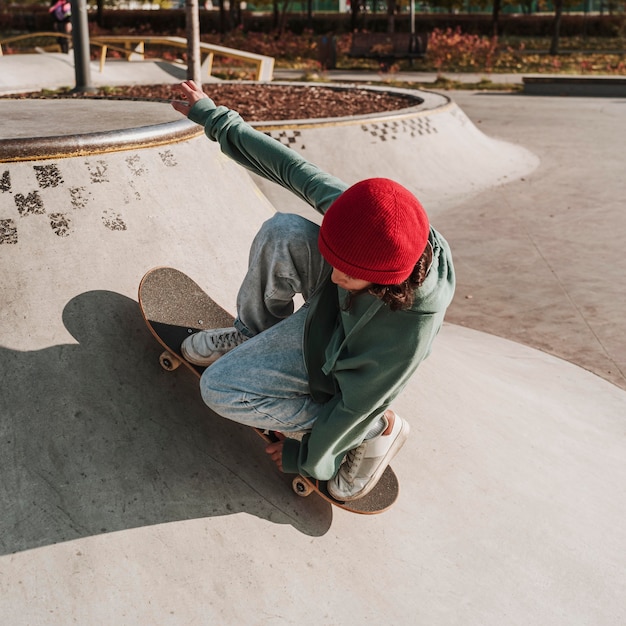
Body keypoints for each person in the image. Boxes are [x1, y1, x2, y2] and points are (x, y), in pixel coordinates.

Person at [171, 80, 455, 501]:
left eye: (348, 273)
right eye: (334, 262)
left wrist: (306, 456)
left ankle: (379, 434)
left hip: (344, 366)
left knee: (218, 389)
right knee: (283, 230)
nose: (334, 275)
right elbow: (291, 168)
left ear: (386, 281)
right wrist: (212, 117)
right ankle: (252, 335)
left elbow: (357, 402)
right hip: (331, 317)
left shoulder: (409, 326)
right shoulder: (366, 217)